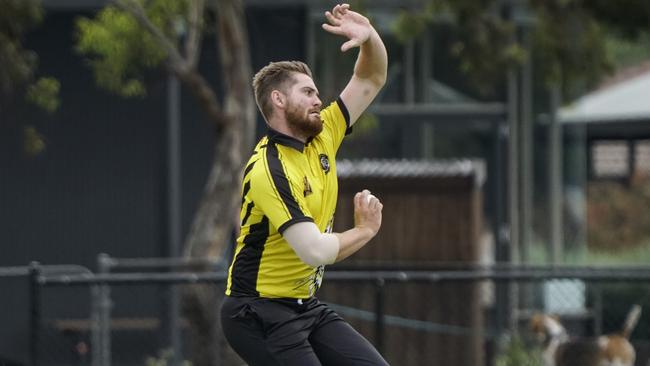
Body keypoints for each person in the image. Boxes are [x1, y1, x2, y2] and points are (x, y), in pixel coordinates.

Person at [221, 3, 388, 365]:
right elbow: (313, 251)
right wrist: (363, 231)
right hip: (256, 313)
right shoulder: (269, 169)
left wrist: (370, 37)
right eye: (307, 93)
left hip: (304, 307)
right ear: (278, 100)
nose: (319, 100)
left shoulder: (323, 134)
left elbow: (371, 78)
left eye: (317, 93)